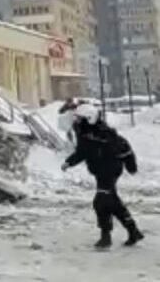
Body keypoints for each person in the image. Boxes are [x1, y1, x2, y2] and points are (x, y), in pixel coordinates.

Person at [61, 104, 144, 249]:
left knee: (101, 202)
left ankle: (106, 237)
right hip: (99, 171)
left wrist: (131, 166)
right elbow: (82, 152)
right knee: (112, 202)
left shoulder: (104, 134)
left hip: (110, 170)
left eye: (80, 119)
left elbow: (124, 147)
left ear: (89, 119)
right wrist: (69, 162)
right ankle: (133, 231)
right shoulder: (85, 133)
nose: (77, 121)